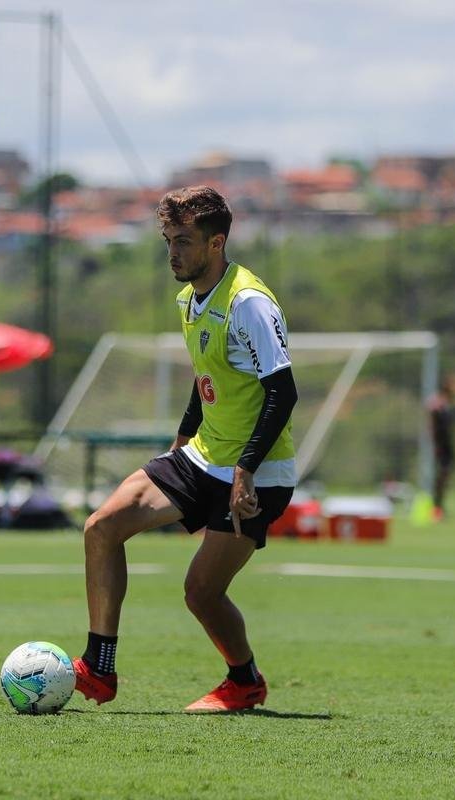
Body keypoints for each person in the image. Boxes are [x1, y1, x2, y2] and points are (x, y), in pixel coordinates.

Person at [73, 186, 298, 712]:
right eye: (168, 241)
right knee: (102, 528)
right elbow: (206, 378)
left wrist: (245, 470)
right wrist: (179, 444)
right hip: (202, 456)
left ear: (216, 243)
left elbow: (282, 391)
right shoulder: (188, 298)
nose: (173, 253)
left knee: (200, 592)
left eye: (184, 241)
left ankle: (244, 681)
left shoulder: (250, 304)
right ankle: (98, 668)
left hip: (260, 474)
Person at [427, 380, 455, 519]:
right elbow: (433, 426)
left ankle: (439, 505)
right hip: (441, 446)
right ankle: (436, 507)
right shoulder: (437, 405)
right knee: (441, 476)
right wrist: (435, 445)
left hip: (447, 445)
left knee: (445, 475)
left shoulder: (446, 406)